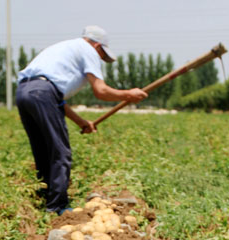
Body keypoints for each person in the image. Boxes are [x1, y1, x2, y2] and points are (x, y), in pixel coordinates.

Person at [16, 26, 148, 215]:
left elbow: (57, 101)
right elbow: (100, 91)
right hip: (43, 94)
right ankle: (56, 207)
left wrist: (81, 122)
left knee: (43, 149)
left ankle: (45, 197)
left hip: (24, 92)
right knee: (60, 152)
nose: (101, 59)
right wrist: (128, 94)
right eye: (102, 54)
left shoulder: (63, 49)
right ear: (96, 45)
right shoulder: (87, 49)